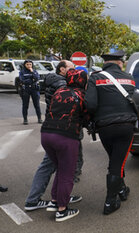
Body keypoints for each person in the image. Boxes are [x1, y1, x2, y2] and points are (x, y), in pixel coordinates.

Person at [25, 60, 82, 211]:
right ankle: (35, 200)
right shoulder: (61, 85)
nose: (74, 71)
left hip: (55, 129)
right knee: (56, 167)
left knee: (65, 166)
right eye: (71, 68)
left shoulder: (55, 81)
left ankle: (61, 196)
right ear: (62, 69)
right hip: (63, 131)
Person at [85, 50, 137, 215]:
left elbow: (91, 105)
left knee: (115, 159)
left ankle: (121, 189)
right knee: (117, 162)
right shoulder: (129, 78)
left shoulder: (95, 77)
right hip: (126, 126)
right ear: (120, 62)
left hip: (105, 127)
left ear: (105, 63)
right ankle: (110, 201)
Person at [41, 69, 88, 222]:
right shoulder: (82, 95)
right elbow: (87, 115)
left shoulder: (60, 90)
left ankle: (55, 201)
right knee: (68, 173)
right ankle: (62, 210)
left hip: (46, 134)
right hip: (66, 136)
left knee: (61, 170)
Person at [19, 60, 42, 125]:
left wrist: (32, 73)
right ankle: (25, 119)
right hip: (26, 89)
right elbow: (22, 80)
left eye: (30, 64)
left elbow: (37, 78)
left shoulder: (34, 71)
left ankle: (39, 118)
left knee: (37, 105)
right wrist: (31, 79)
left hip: (34, 89)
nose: (29, 66)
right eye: (27, 64)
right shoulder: (22, 72)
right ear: (25, 65)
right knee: (25, 105)